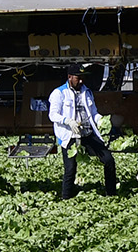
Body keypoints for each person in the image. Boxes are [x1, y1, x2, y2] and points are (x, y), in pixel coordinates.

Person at [49, 69, 117, 200]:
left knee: (109, 160)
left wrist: (101, 120)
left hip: (88, 134)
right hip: (70, 135)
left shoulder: (87, 92)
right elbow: (53, 114)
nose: (81, 81)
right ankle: (66, 198)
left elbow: (93, 113)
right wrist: (67, 121)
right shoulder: (59, 93)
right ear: (69, 77)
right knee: (70, 169)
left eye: (82, 78)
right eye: (77, 78)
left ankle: (111, 194)